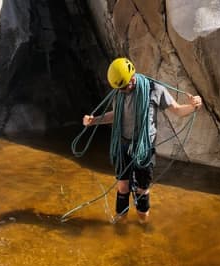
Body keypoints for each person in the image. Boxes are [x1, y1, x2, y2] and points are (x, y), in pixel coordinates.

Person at [83, 57, 202, 224]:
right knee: (122, 187)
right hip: (123, 144)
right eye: (119, 88)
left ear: (132, 78)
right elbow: (117, 115)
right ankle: (121, 226)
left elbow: (177, 110)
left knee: (142, 190)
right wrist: (93, 121)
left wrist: (193, 106)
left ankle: (143, 226)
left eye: (123, 87)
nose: (122, 90)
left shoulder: (154, 89)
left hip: (144, 147)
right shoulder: (119, 91)